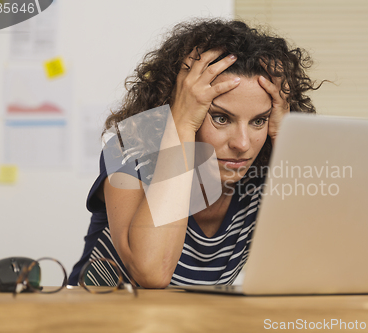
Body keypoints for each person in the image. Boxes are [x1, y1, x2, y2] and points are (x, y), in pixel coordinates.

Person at [69, 18, 320, 288]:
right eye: (222, 118)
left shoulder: (264, 171)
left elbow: (317, 264)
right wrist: (181, 125)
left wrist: (287, 140)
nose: (243, 144)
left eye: (259, 121)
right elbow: (152, 272)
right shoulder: (130, 148)